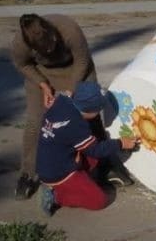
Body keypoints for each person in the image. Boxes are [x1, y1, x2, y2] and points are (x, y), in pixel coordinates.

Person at [10, 13, 131, 199]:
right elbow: (23, 65)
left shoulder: (69, 30)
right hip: (43, 74)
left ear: (52, 32)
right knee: (36, 121)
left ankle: (104, 163)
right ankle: (27, 173)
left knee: (90, 113)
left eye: (52, 46)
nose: (50, 51)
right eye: (44, 51)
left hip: (76, 69)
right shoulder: (20, 43)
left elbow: (82, 60)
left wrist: (70, 92)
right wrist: (42, 84)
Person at [36, 81, 139, 214]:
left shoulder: (60, 102)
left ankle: (79, 181)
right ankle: (56, 196)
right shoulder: (76, 125)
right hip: (59, 174)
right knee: (98, 200)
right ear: (92, 111)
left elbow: (65, 95)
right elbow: (96, 150)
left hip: (46, 164)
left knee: (91, 155)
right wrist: (121, 143)